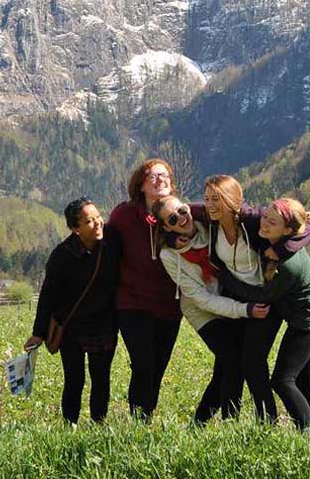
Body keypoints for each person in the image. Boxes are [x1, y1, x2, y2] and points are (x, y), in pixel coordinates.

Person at [196, 175, 310, 423]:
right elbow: (178, 212)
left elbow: (300, 225)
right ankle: (231, 422)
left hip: (264, 302)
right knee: (229, 364)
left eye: (216, 198)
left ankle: (266, 423)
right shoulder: (210, 221)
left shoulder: (252, 220)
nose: (210, 204)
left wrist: (282, 249)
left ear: (232, 200)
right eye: (207, 198)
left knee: (253, 362)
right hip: (237, 303)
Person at [217, 198, 310, 436]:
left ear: (288, 231)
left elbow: (263, 295)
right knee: (305, 381)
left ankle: (308, 434)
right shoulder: (273, 241)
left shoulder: (289, 265)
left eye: (273, 222)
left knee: (283, 380)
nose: (265, 223)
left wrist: (225, 278)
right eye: (265, 217)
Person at [152, 194, 271, 425]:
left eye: (182, 211)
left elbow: (230, 211)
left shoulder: (208, 225)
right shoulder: (169, 255)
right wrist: (245, 309)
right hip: (202, 310)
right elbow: (202, 299)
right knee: (232, 360)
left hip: (228, 298)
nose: (181, 219)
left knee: (225, 369)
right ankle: (230, 423)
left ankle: (199, 423)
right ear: (166, 227)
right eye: (172, 219)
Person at [24, 197, 119, 424]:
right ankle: (70, 426)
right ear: (75, 229)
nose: (97, 223)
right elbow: (47, 296)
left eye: (98, 217)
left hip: (104, 324)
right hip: (72, 328)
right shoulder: (62, 255)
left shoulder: (112, 244)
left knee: (101, 379)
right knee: (74, 380)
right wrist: (38, 333)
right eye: (89, 221)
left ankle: (98, 425)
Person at [108, 158, 182, 421]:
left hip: (169, 307)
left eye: (164, 176)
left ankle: (146, 418)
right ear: (140, 185)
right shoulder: (124, 215)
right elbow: (106, 251)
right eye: (152, 176)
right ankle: (139, 421)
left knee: (158, 367)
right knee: (143, 365)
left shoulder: (180, 213)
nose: (160, 180)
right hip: (132, 303)